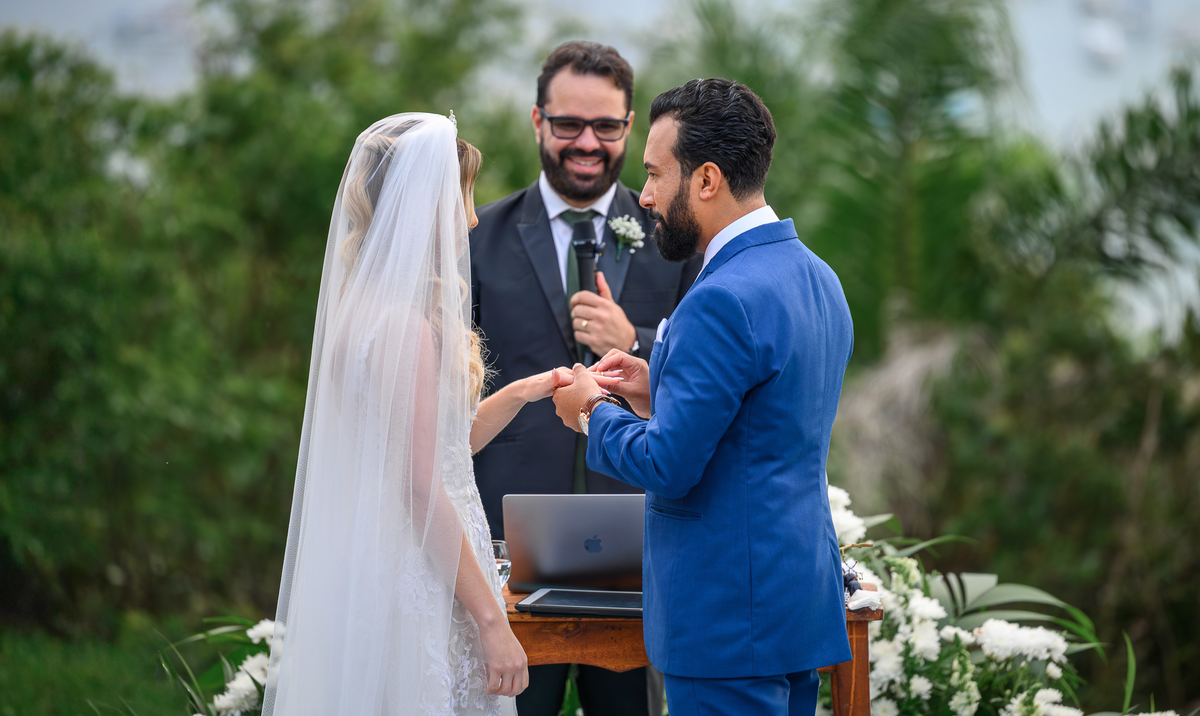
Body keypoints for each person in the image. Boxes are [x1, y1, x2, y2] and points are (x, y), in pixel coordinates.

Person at [551, 79, 855, 716]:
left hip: (724, 620)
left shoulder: (720, 297)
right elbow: (761, 422)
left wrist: (590, 411)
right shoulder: (818, 277)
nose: (647, 195)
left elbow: (669, 464)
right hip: (794, 605)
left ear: (708, 179)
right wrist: (653, 383)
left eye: (657, 174)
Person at [264, 113, 559, 715]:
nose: (473, 218)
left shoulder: (360, 312)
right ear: (423, 203)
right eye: (463, 198)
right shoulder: (406, 329)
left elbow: (441, 445)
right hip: (424, 577)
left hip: (393, 561)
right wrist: (490, 620)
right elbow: (421, 487)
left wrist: (524, 392)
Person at [469, 41, 701, 716]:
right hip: (508, 546)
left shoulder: (674, 234)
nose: (587, 143)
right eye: (569, 124)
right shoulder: (480, 235)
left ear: (629, 127)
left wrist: (638, 342)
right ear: (537, 122)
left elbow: (711, 362)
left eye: (606, 126)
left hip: (638, 536)